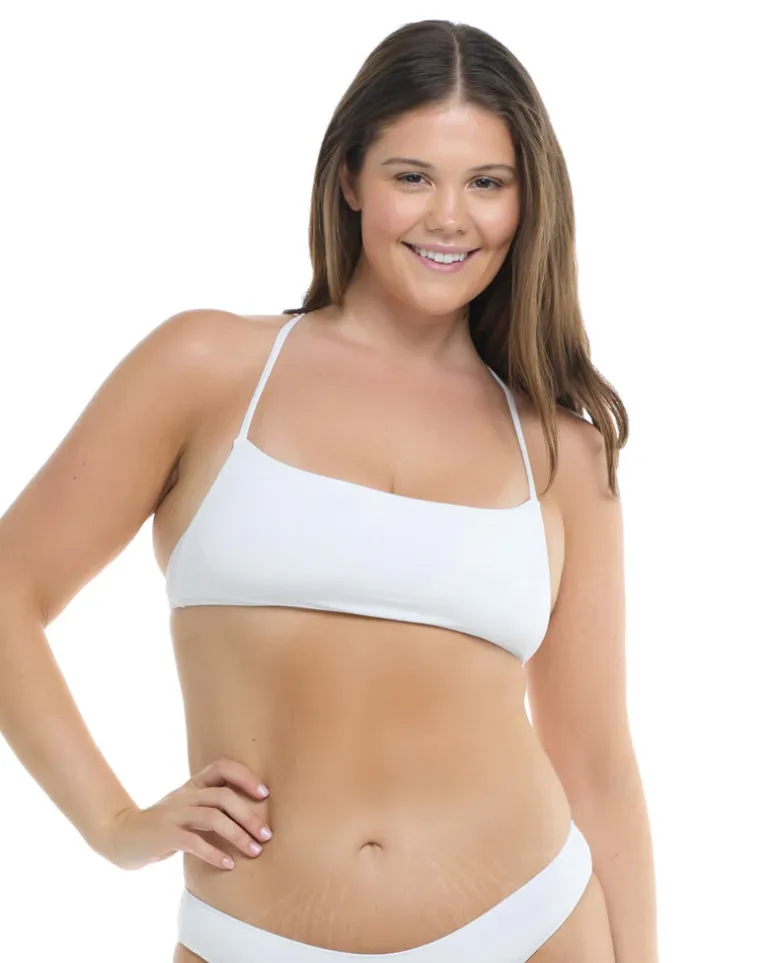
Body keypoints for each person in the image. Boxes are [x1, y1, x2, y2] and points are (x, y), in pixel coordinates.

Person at [0, 18, 658, 963]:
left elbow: (596, 766)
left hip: (531, 927)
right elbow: (10, 588)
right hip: (249, 937)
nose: (450, 217)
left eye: (487, 183)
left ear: (528, 201)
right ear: (349, 178)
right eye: (412, 176)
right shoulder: (206, 367)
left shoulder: (563, 452)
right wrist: (111, 823)